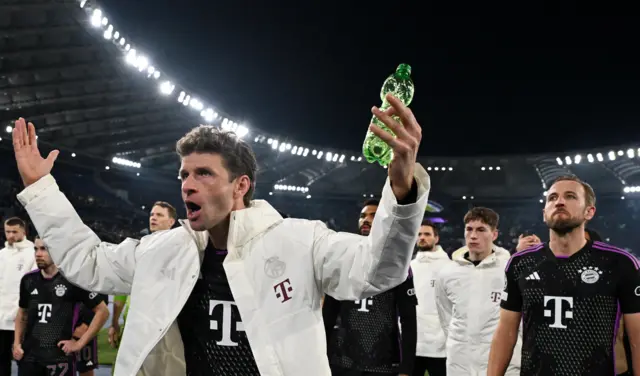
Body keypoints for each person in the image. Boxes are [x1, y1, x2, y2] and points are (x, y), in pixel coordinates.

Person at [11, 93, 429, 376]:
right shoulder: (163, 250)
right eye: (184, 175)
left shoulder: (301, 241)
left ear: (240, 185)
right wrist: (40, 191)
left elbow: (379, 271)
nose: (187, 185)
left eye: (204, 174)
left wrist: (401, 189)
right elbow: (89, 262)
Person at [488, 175, 640, 376]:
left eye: (570, 196)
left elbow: (637, 336)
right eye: (552, 198)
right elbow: (506, 331)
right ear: (544, 214)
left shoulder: (620, 263)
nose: (559, 202)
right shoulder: (520, 263)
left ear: (589, 211)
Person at [323, 199, 417, 376]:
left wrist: (406, 368)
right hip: (342, 360)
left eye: (373, 215)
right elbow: (329, 313)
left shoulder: (397, 262)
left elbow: (408, 319)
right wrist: (322, 354)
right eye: (362, 216)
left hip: (383, 362)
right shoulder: (343, 258)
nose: (365, 219)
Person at [436, 207, 521, 376]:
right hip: (459, 362)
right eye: (469, 229)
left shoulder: (510, 270)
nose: (473, 235)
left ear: (494, 235)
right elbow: (445, 316)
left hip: (503, 361)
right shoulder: (447, 273)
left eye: (481, 230)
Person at [12, 238, 109, 376]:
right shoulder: (28, 280)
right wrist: (16, 343)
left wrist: (79, 343)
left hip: (59, 359)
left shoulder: (73, 280)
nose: (38, 254)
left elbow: (103, 311)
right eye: (36, 249)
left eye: (44, 249)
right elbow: (22, 313)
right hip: (29, 358)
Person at [109, 201, 177, 351]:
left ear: (171, 221)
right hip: (133, 322)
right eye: (152, 214)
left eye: (159, 215)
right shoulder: (138, 249)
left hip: (163, 324)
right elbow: (122, 289)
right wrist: (114, 322)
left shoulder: (178, 251)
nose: (153, 218)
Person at [410, 220, 449, 376]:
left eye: (427, 234)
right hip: (413, 342)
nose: (422, 238)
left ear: (436, 238)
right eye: (419, 234)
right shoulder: (410, 266)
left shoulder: (449, 266)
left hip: (441, 344)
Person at [0, 217, 35, 376]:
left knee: (24, 360)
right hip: (1, 318)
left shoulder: (33, 253)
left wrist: (18, 311)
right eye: (8, 231)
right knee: (1, 362)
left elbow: (32, 286)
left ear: (24, 231)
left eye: (14, 231)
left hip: (21, 317)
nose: (11, 235)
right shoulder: (2, 254)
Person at [74, 293, 109, 376]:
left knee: (85, 368)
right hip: (60, 321)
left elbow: (102, 294)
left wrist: (87, 323)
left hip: (82, 323)